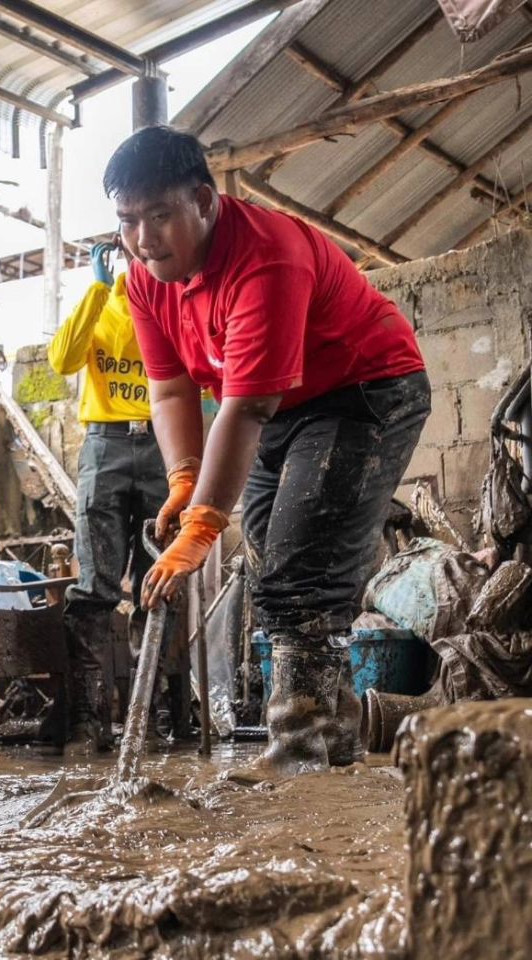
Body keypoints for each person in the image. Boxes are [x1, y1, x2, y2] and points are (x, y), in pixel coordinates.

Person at [105, 126, 430, 775]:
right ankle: (334, 737)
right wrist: (184, 480)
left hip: (365, 388)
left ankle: (301, 744)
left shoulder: (265, 256)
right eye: (128, 221)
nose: (143, 239)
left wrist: (203, 521)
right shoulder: (146, 281)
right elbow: (170, 392)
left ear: (203, 199)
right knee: (271, 565)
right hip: (279, 407)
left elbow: (245, 407)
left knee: (298, 565)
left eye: (160, 216)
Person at [46, 241, 168, 754]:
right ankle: (87, 722)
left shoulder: (171, 303)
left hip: (162, 445)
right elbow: (61, 360)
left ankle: (149, 718)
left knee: (158, 586)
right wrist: (96, 287)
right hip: (105, 445)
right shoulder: (102, 304)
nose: (144, 254)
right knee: (95, 586)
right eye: (134, 248)